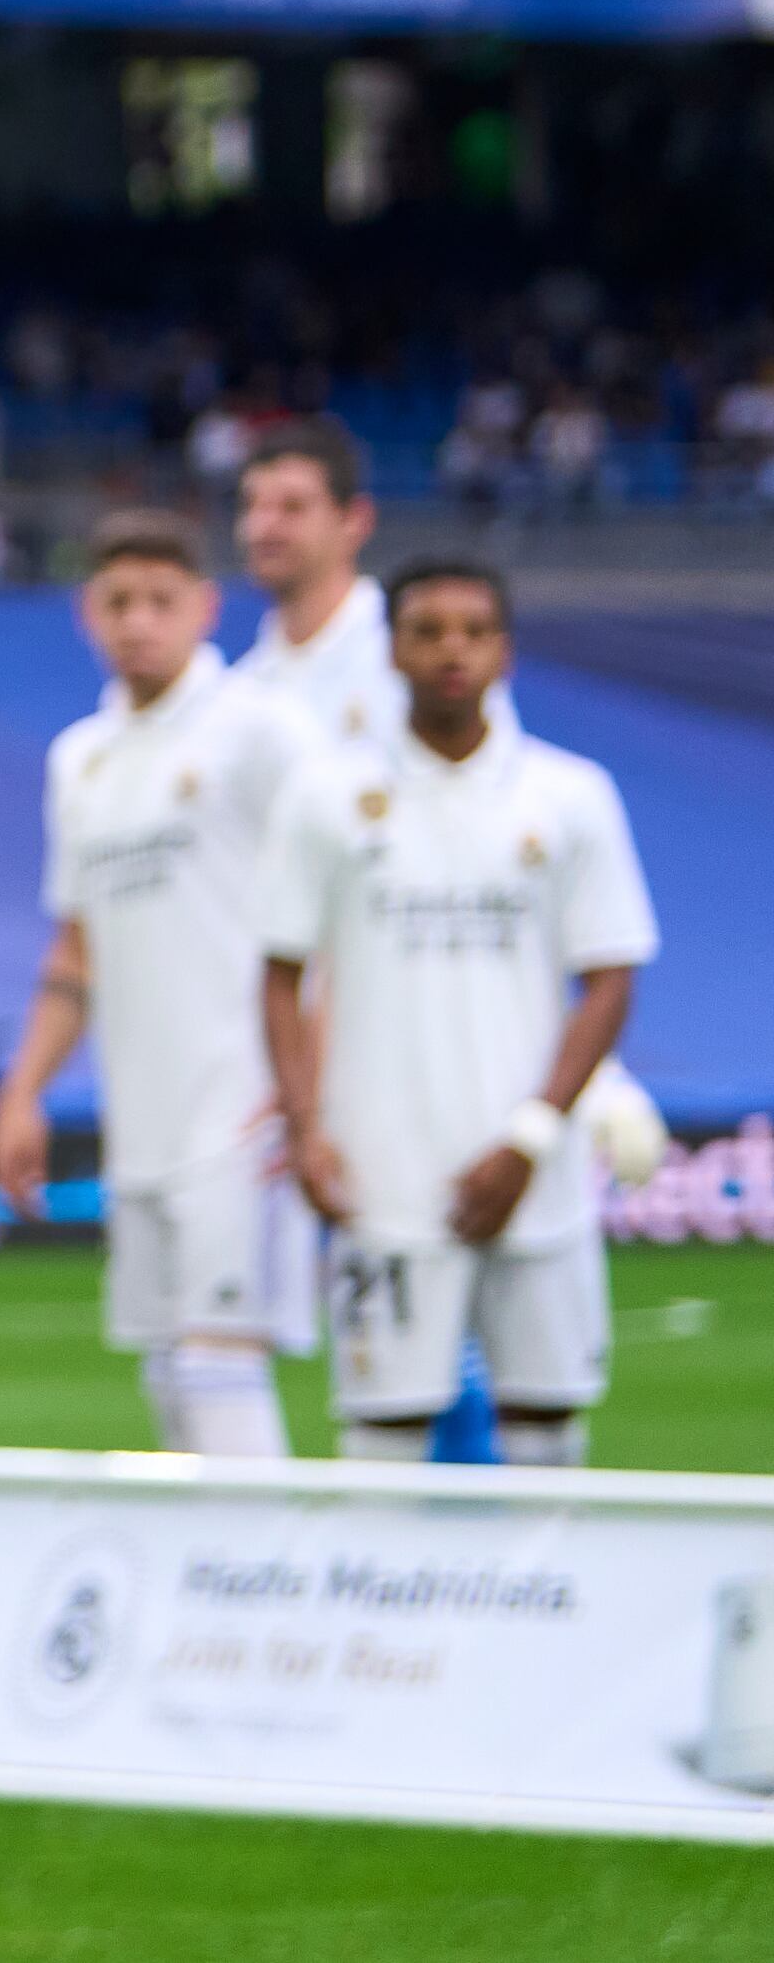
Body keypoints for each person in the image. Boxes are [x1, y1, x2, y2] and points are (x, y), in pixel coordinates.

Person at [259, 563, 657, 1464]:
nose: (452, 649)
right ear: (392, 648)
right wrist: (305, 1128)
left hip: (537, 1179)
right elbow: (279, 972)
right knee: (382, 1433)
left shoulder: (570, 795)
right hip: (380, 1175)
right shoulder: (326, 798)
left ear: (504, 651)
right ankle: (382, 1610)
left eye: (474, 630)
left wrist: (531, 1136)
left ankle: (545, 1611)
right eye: (428, 629)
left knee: (546, 1429)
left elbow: (610, 977)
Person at [0, 512, 316, 1459]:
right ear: (89, 613)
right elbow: (75, 950)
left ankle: (269, 1595)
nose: (138, 622)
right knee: (170, 1371)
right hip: (145, 1116)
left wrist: (307, 1090)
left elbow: (333, 908)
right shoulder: (79, 758)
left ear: (205, 608)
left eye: (159, 602)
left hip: (245, 1103)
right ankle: (209, 1599)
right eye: (118, 602)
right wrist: (21, 1090)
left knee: (219, 1361)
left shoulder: (263, 729)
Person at [235, 417, 399, 756]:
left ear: (355, 521)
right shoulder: (244, 687)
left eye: (292, 507)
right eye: (252, 505)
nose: (263, 527)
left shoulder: (410, 662)